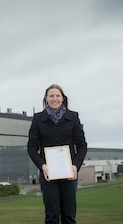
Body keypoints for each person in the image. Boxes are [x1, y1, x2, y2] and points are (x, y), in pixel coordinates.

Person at [27, 84, 87, 224]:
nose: (55, 98)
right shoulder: (38, 119)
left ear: (63, 98)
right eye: (51, 96)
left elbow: (82, 146)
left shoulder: (73, 117)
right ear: (46, 99)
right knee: (51, 216)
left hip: (69, 173)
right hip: (48, 174)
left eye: (58, 95)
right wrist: (42, 166)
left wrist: (75, 166)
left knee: (69, 216)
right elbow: (31, 147)